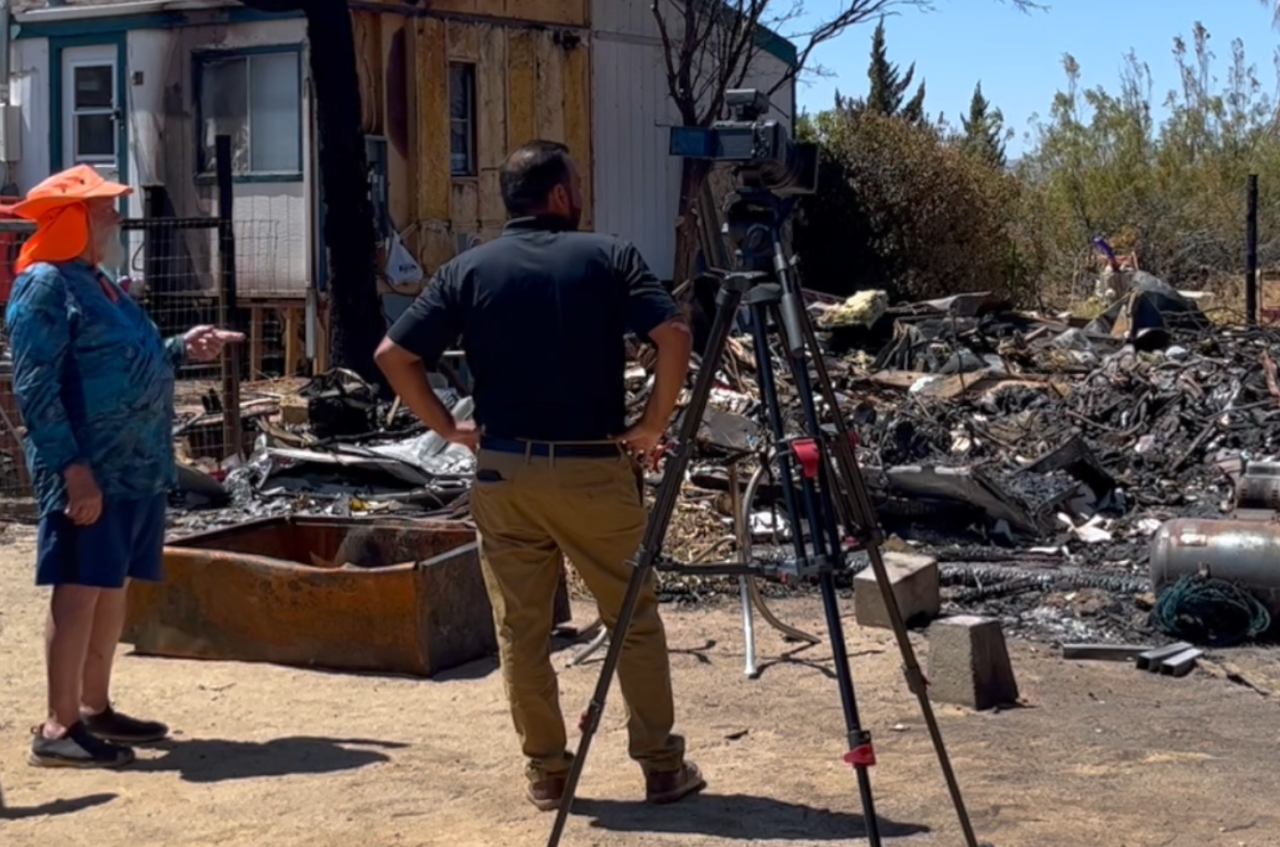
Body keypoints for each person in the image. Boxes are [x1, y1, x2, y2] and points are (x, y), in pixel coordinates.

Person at [375, 140, 703, 811]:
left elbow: (392, 353)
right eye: (575, 182)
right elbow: (673, 335)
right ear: (559, 195)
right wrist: (653, 423)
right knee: (631, 617)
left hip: (505, 472)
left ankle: (548, 771)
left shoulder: (468, 269)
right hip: (592, 469)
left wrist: (446, 427)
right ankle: (661, 765)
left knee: (519, 630)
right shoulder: (608, 255)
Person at [4, 165, 243, 769]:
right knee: (80, 587)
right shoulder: (44, 286)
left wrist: (180, 348)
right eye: (105, 208)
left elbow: (129, 357)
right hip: (90, 469)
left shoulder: (97, 282)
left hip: (134, 467)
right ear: (74, 220)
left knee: (109, 586)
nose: (115, 217)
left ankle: (94, 706)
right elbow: (36, 387)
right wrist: (72, 469)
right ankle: (59, 726)